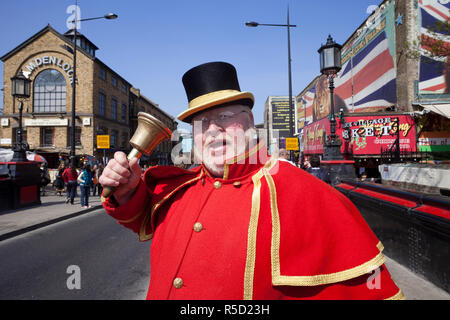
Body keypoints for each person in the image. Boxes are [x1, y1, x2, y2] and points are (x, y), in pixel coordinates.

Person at [100, 61, 403, 300]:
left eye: (225, 118)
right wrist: (126, 192)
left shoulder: (306, 191)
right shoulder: (180, 186)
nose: (213, 130)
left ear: (249, 123)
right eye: (202, 124)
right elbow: (137, 214)